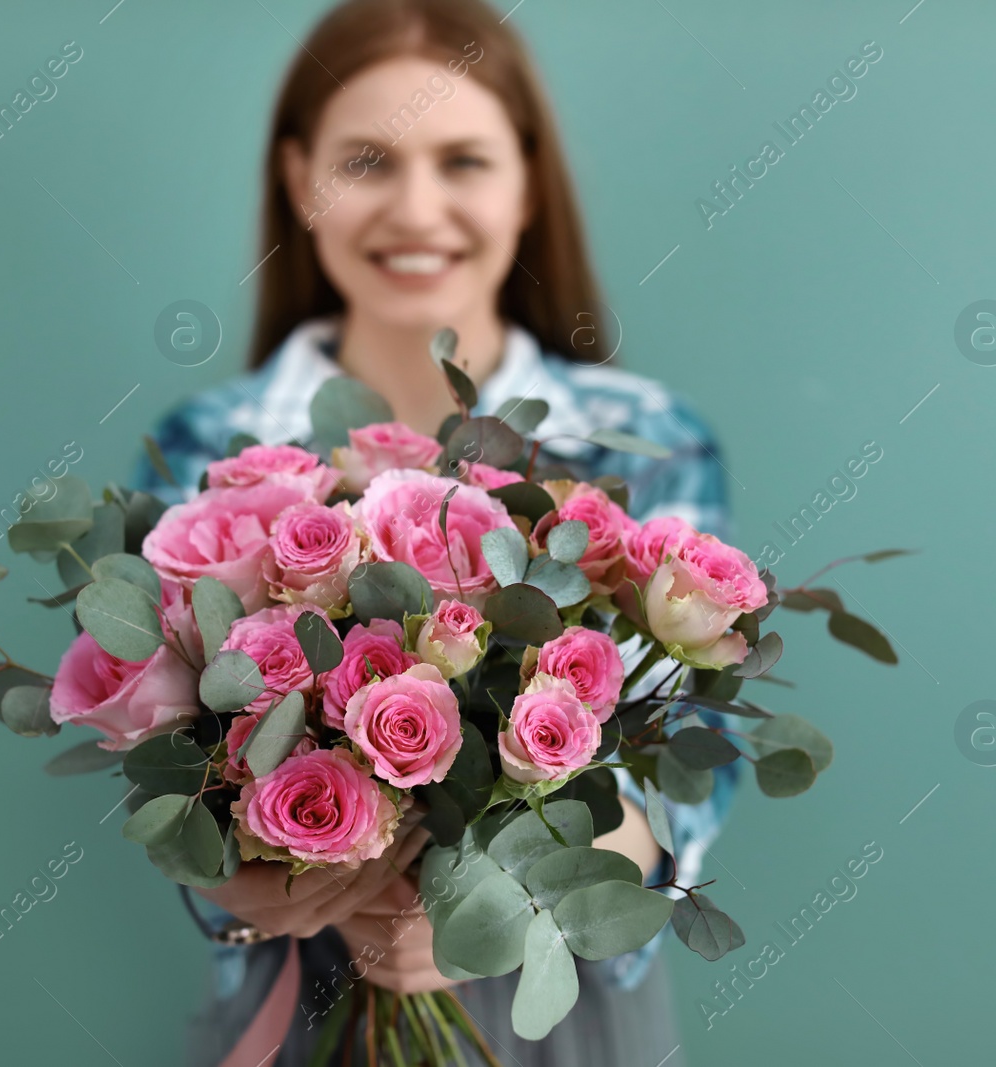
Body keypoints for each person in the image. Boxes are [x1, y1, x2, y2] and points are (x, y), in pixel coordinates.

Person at [134, 1, 738, 1062]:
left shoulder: (642, 441)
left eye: (462, 160)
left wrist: (498, 894)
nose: (416, 209)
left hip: (565, 994)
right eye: (367, 160)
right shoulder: (208, 447)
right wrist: (292, 881)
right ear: (296, 177)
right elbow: (159, 756)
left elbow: (698, 757)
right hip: (296, 992)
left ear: (526, 178)